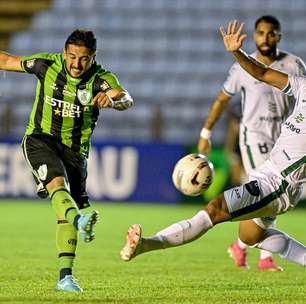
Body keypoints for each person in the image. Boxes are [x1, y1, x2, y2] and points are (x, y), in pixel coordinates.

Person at [119, 20, 306, 274]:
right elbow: (262, 73)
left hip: (279, 184)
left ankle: (145, 245)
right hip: (271, 171)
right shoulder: (302, 85)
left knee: (215, 210)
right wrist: (236, 52)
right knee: (250, 236)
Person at [0, 29, 133, 292]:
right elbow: (6, 61)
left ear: (93, 57)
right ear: (64, 53)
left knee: (64, 212)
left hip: (75, 152)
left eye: (83, 58)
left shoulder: (100, 79)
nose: (76, 64)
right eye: (72, 56)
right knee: (58, 188)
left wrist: (114, 102)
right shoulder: (45, 65)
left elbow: (125, 97)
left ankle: (65, 278)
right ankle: (80, 221)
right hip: (40, 139)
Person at [197, 15, 306, 271]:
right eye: (261, 33)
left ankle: (242, 244)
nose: (266, 38)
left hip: (285, 138)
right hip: (254, 136)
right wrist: (206, 132)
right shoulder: (242, 68)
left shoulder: (295, 65)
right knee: (266, 190)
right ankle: (264, 257)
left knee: (272, 195)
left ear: (279, 36)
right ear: (255, 35)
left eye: (271, 33)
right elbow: (222, 100)